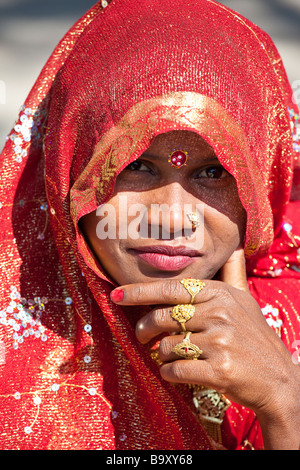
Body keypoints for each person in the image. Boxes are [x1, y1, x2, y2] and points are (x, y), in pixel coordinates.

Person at [0, 0, 299, 451]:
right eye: (136, 164)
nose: (171, 217)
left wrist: (283, 401)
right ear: (69, 169)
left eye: (214, 172)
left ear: (260, 190)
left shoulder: (288, 328)